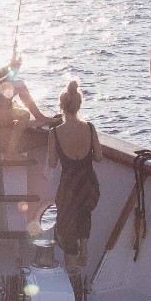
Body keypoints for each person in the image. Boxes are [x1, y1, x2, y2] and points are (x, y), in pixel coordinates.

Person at [48, 80, 102, 274]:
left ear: (61, 106)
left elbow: (52, 163)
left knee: (66, 227)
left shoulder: (55, 132)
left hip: (69, 185)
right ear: (79, 105)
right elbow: (99, 157)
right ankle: (84, 249)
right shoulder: (90, 128)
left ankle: (71, 272)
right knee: (84, 214)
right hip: (88, 182)